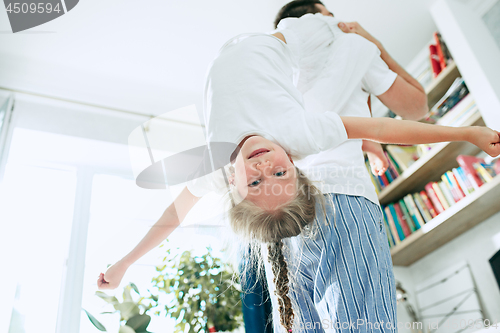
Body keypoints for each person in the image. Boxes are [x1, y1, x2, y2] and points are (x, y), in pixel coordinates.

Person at [98, 8, 500, 332]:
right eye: (278, 174)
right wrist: (464, 132)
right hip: (315, 202)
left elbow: (175, 213)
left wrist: (125, 262)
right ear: (294, 164)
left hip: (287, 228)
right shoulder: (298, 131)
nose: (265, 166)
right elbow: (392, 119)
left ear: (234, 187)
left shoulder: (226, 164)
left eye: (256, 178)